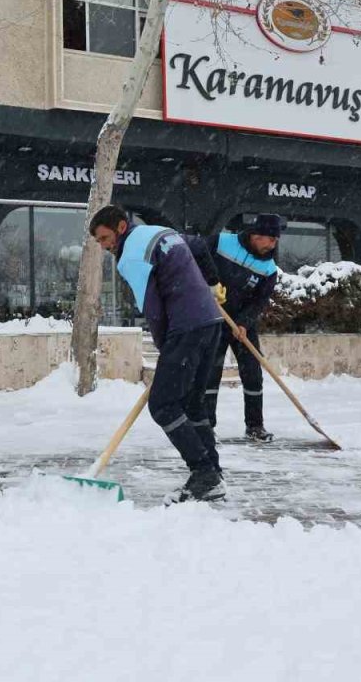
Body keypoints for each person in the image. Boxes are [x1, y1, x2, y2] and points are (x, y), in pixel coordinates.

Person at [88, 205, 226, 503]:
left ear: (121, 228)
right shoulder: (162, 232)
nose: (103, 246)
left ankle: (204, 473)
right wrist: (212, 282)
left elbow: (152, 308)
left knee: (163, 405)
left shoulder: (130, 256)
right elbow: (201, 246)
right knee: (192, 403)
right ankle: (212, 473)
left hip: (186, 325)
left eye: (104, 238)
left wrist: (168, 350)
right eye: (98, 241)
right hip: (211, 322)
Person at [187, 214, 283, 442]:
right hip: (213, 318)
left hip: (242, 324)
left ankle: (255, 426)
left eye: (275, 242)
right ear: (256, 236)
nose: (272, 246)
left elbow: (260, 301)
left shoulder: (269, 268)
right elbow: (194, 261)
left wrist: (243, 323)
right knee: (210, 373)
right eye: (269, 240)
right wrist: (202, 288)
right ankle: (206, 425)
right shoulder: (220, 242)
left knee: (253, 374)